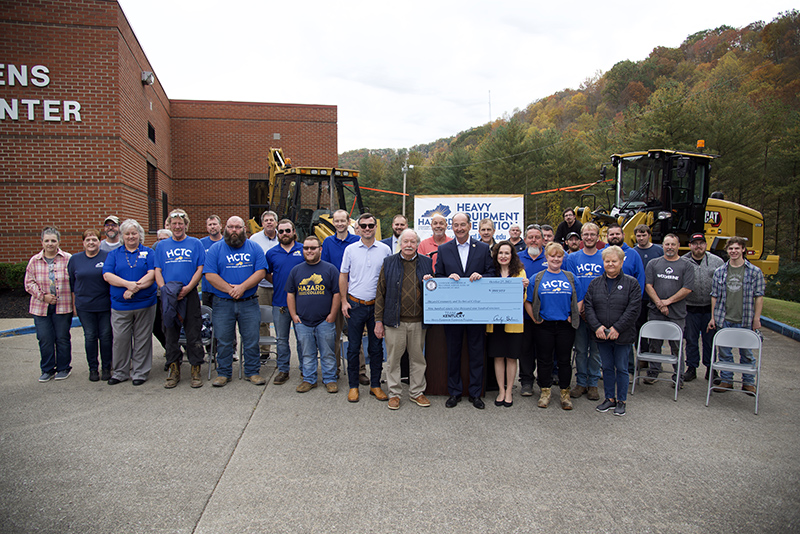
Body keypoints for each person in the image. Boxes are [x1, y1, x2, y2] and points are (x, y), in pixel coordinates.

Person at [435, 212, 495, 409]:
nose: (459, 228)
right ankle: (454, 392)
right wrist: (447, 278)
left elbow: (491, 273)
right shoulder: (444, 250)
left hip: (476, 311)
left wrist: (482, 276)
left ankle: (475, 393)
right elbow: (438, 276)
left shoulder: (483, 248)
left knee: (476, 352)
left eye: (463, 225)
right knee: (453, 352)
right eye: (456, 225)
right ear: (452, 227)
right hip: (453, 311)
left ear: (469, 226)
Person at [203, 216, 268, 387]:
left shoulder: (254, 248)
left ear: (244, 228)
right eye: (230, 227)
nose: (234, 230)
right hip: (222, 303)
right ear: (225, 228)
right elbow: (210, 274)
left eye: (237, 227)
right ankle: (223, 373)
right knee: (223, 339)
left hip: (249, 302)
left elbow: (261, 272)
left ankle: (252, 372)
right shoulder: (216, 249)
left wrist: (241, 288)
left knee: (251, 339)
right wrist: (229, 289)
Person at [374, 229, 433, 410]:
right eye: (405, 241)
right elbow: (380, 293)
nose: (409, 245)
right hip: (394, 321)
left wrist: (432, 282)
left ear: (417, 244)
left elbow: (434, 289)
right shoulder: (389, 262)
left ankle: (417, 392)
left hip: (418, 320)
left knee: (417, 358)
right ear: (400, 243)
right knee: (393, 359)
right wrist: (378, 320)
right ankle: (395, 394)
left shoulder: (427, 262)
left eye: (412, 242)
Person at [340, 213, 392, 402]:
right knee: (353, 348)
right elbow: (343, 275)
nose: (368, 229)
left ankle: (375, 385)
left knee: (377, 348)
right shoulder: (350, 250)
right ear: (358, 228)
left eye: (371, 225)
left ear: (375, 227)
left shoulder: (385, 250)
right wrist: (344, 301)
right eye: (364, 225)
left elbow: (389, 278)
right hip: (355, 305)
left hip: (377, 307)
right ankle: (353, 386)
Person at [585, 246, 641, 417]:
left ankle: (621, 400)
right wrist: (597, 327)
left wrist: (617, 328)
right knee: (607, 368)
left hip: (622, 335)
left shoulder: (632, 283)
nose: (610, 264)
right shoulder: (595, 283)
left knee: (622, 368)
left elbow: (633, 309)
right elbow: (589, 306)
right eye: (607, 261)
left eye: (614, 261)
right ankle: (609, 398)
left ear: (622, 262)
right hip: (602, 334)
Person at [525, 242, 579, 410]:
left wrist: (574, 315)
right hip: (544, 325)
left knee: (564, 360)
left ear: (563, 258)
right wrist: (534, 318)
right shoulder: (537, 278)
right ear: (546, 257)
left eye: (559, 256)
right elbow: (528, 301)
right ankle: (545, 391)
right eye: (552, 256)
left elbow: (580, 299)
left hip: (565, 325)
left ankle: (565, 392)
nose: (556, 259)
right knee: (544, 359)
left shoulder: (570, 277)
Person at [155, 209, 206, 389]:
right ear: (169, 225)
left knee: (193, 332)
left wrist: (188, 288)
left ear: (186, 225)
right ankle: (174, 369)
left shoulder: (195, 243)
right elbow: (157, 270)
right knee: (170, 333)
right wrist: (163, 289)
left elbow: (200, 268)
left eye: (180, 223)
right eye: (174, 223)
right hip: (168, 294)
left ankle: (195, 369)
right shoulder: (161, 246)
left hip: (189, 293)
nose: (177, 226)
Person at [102, 219, 157, 386]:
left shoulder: (148, 252)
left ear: (139, 235)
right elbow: (107, 275)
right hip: (120, 306)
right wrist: (128, 285)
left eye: (134, 233)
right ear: (122, 236)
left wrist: (134, 289)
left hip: (145, 304)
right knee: (120, 339)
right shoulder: (114, 254)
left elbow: (152, 274)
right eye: (127, 234)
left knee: (142, 339)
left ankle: (140, 372)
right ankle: (120, 372)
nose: (131, 236)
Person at [709, 237, 765, 396]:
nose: (733, 251)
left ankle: (748, 383)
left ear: (743, 250)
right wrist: (713, 317)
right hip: (723, 318)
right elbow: (714, 296)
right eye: (731, 249)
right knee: (724, 352)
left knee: (746, 353)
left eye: (737, 248)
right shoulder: (720, 271)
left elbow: (759, 296)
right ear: (727, 251)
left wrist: (757, 318)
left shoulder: (754, 272)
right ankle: (727, 381)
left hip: (745, 319)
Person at [287, 235, 341, 393]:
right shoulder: (296, 270)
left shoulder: (330, 269)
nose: (309, 251)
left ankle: (330, 379)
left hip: (325, 320)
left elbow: (337, 293)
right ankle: (309, 379)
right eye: (306, 248)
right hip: (303, 321)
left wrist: (332, 315)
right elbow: (290, 294)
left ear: (320, 249)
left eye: (313, 248)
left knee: (328, 353)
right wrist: (294, 316)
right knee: (307, 353)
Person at [320, 209, 364, 382]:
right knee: (334, 336)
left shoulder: (357, 241)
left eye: (342, 221)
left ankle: (360, 371)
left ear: (348, 222)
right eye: (336, 221)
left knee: (356, 335)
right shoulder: (328, 242)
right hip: (334, 295)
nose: (339, 224)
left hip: (353, 295)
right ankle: (335, 370)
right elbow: (324, 268)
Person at [644, 234, 694, 385]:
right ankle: (653, 371)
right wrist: (659, 303)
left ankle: (677, 376)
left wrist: (668, 302)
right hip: (655, 311)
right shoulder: (654, 264)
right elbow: (648, 285)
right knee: (654, 344)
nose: (670, 247)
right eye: (667, 244)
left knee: (677, 346)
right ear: (662, 246)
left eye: (673, 244)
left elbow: (687, 288)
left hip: (677, 313)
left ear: (678, 246)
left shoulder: (687, 265)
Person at [25, 227, 73, 382]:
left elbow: (75, 280)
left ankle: (63, 368)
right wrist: (43, 296)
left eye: (53, 240)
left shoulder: (68, 259)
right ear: (42, 242)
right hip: (40, 307)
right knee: (45, 338)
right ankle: (47, 369)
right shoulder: (34, 261)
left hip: (63, 305)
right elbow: (29, 283)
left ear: (58, 241)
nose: (50, 244)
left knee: (62, 338)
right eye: (47, 241)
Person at [564, 222, 604, 401]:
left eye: (592, 234)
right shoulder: (572, 258)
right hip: (579, 311)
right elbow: (573, 285)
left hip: (599, 312)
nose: (589, 237)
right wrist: (578, 308)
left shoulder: (604, 257)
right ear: (581, 237)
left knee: (595, 351)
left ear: (598, 237)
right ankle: (580, 382)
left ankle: (593, 384)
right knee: (580, 349)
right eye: (586, 234)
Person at [486, 241, 528, 407]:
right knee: (498, 357)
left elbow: (523, 300)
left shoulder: (519, 272)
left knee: (511, 357)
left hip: (513, 323)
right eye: (500, 253)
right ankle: (500, 391)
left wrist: (523, 288)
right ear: (496, 255)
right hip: (495, 323)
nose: (503, 256)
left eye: (507, 253)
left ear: (512, 256)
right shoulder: (491, 273)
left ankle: (509, 391)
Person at [68, 229, 112, 382]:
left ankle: (107, 367)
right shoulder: (75, 259)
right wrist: (74, 304)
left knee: (106, 336)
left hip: (105, 305)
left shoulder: (107, 257)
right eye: (88, 240)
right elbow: (72, 284)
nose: (91, 242)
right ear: (83, 242)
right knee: (90, 336)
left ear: (100, 241)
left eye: (94, 239)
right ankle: (93, 368)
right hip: (84, 306)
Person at [266, 219, 306, 385]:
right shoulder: (271, 253)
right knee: (281, 339)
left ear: (293, 231)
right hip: (280, 303)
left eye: (287, 231)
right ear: (277, 233)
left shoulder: (303, 249)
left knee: (302, 338)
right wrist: (278, 283)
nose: (284, 234)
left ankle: (305, 369)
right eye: (281, 231)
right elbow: (266, 273)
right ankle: (283, 370)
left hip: (302, 303)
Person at [681, 233, 724, 382]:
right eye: (695, 243)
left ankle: (711, 369)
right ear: (690, 245)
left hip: (709, 309)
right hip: (690, 308)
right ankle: (691, 368)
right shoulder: (683, 262)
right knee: (691, 340)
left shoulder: (717, 262)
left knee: (710, 341)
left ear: (706, 245)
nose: (698, 246)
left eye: (701, 243)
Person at [517, 224, 547, 395]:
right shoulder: (518, 258)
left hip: (545, 312)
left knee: (544, 350)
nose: (534, 240)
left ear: (542, 239)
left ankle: (544, 382)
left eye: (537, 237)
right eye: (530, 237)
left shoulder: (550, 257)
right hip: (524, 314)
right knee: (526, 350)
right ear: (525, 239)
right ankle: (526, 382)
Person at [250, 210, 279, 356]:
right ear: (262, 223)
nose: (269, 222)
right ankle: (265, 352)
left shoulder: (283, 236)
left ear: (276, 223)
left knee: (282, 319)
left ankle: (282, 349)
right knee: (262, 320)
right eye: (266, 220)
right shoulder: (254, 239)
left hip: (281, 287)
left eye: (271, 220)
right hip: (262, 286)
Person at [632, 224, 664, 352]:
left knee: (655, 328)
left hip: (656, 296)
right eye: (638, 236)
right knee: (639, 327)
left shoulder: (658, 250)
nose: (641, 238)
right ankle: (642, 355)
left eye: (644, 235)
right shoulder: (633, 252)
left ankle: (655, 356)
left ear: (649, 235)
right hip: (640, 297)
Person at [200, 215, 223, 308]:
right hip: (207, 289)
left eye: (215, 224)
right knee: (208, 318)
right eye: (210, 225)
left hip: (223, 289)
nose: (212, 227)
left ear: (221, 226)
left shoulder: (227, 242)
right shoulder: (201, 243)